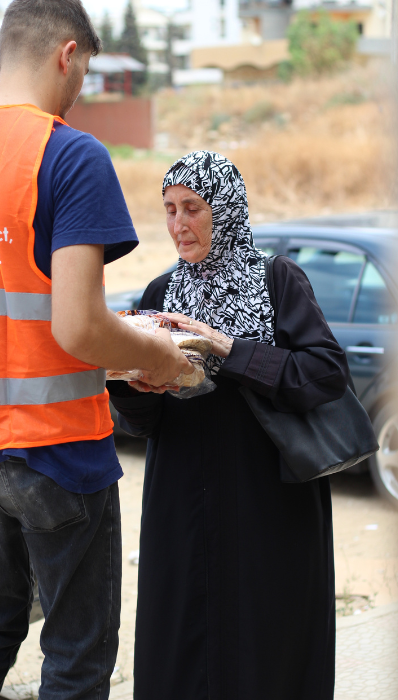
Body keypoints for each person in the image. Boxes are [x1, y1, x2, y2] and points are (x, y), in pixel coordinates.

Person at [0, 2, 191, 698]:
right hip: (56, 450)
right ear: (68, 55)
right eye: (84, 72)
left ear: (0, 58)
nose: (79, 88)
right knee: (77, 652)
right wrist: (160, 356)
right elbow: (80, 328)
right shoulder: (70, 154)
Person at [108, 151, 350, 700]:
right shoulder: (158, 295)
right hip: (182, 501)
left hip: (269, 502)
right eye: (169, 209)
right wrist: (127, 382)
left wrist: (227, 348)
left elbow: (325, 373)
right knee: (184, 640)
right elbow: (143, 424)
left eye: (192, 208)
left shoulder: (277, 279)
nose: (178, 224)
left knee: (269, 640)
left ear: (227, 210)